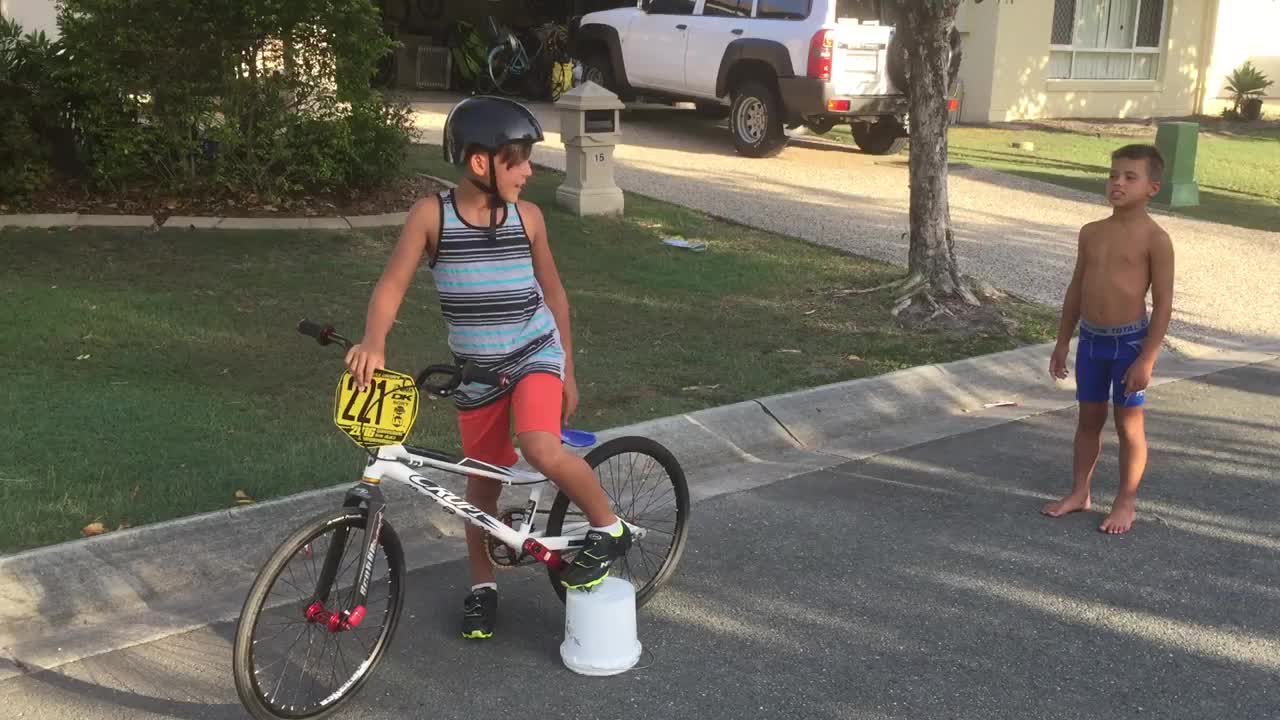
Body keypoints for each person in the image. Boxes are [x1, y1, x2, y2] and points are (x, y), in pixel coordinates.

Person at [344, 96, 630, 639]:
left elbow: (555, 294)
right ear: (482, 163)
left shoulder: (529, 218)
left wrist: (566, 368)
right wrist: (374, 340)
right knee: (479, 493)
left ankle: (609, 527)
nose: (527, 170)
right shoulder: (432, 217)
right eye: (518, 159)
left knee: (541, 446)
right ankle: (483, 587)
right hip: (477, 372)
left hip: (534, 353)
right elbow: (392, 284)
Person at [1042, 144, 1175, 535]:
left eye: (1129, 177)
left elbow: (1164, 305)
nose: (1117, 183)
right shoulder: (1092, 232)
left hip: (1129, 344)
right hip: (1092, 342)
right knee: (1088, 421)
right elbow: (1076, 287)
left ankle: (1125, 501)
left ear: (1152, 187)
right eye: (1113, 175)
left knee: (1129, 425)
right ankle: (1080, 492)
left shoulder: (1156, 239)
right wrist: (1063, 340)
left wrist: (1147, 358)